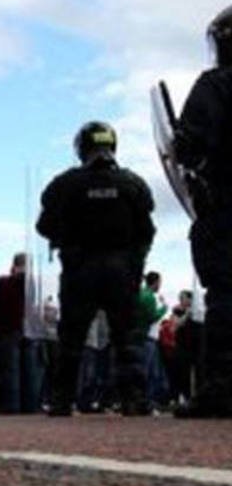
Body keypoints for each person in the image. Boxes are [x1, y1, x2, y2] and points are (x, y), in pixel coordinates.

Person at [37, 120, 156, 416]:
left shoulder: (64, 184)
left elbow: (44, 225)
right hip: (121, 269)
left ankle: (62, 400)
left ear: (81, 148)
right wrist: (134, 263)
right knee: (126, 336)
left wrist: (67, 242)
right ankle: (134, 399)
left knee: (71, 338)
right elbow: (146, 231)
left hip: (80, 268)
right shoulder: (133, 184)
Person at [173, 5, 232, 417]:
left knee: (227, 295)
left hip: (226, 206)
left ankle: (222, 389)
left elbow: (188, 145)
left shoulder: (215, 84)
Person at [0, 253, 27, 414]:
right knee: (28, 370)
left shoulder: (4, 282)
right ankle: (29, 404)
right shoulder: (31, 283)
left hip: (7, 329)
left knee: (10, 369)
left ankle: (11, 405)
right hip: (27, 329)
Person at [133, 272, 169, 409]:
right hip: (148, 338)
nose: (160, 285)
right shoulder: (149, 297)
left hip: (147, 338)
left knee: (152, 372)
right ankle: (145, 400)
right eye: (160, 282)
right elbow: (153, 317)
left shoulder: (142, 294)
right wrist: (164, 309)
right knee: (148, 372)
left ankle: (146, 400)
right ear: (155, 282)